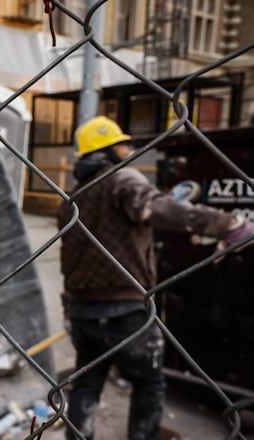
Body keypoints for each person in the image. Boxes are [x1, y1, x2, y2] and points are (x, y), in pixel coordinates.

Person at [56, 116, 254, 440]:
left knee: (87, 384)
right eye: (123, 145)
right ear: (107, 151)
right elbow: (159, 208)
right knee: (149, 383)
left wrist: (68, 309)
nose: (130, 150)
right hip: (125, 312)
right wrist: (228, 225)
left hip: (82, 313)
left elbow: (69, 260)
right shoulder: (121, 180)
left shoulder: (71, 199)